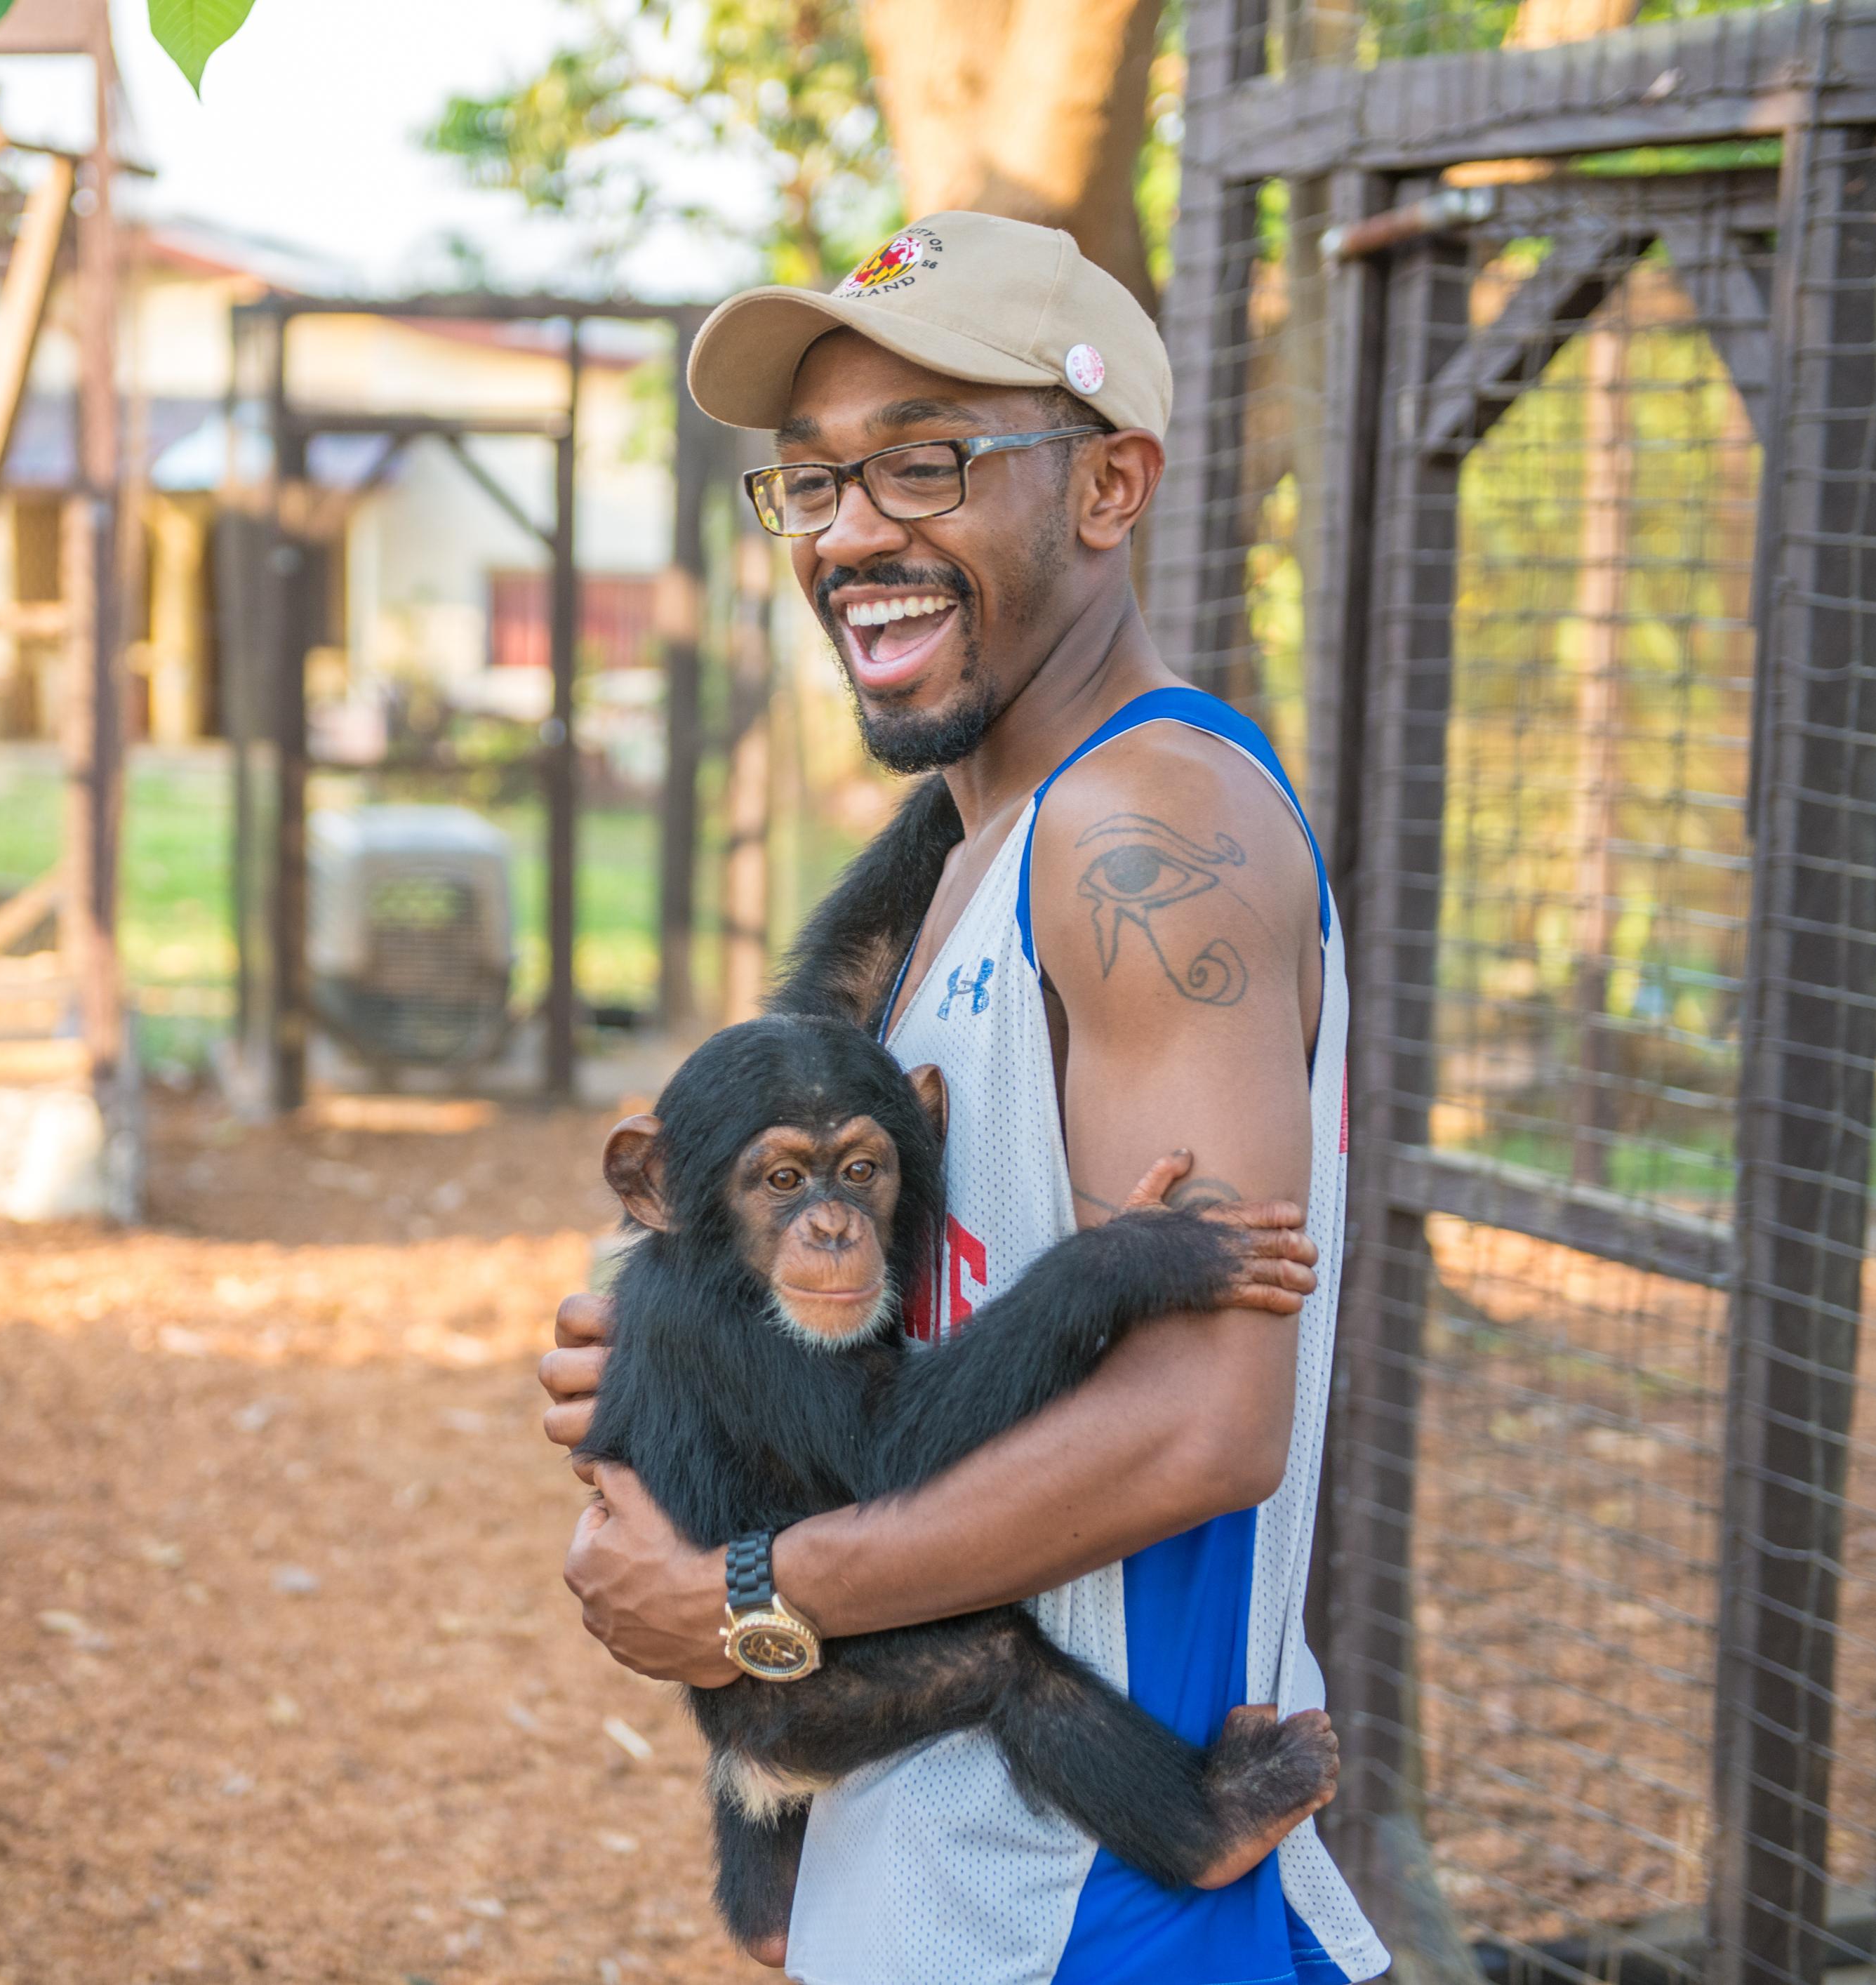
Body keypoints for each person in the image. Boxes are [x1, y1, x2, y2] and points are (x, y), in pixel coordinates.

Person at [537, 213, 1390, 1985]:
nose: (853, 532)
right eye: (815, 483)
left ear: (1107, 488)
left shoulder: (1151, 831)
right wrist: (676, 1337)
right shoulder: (969, 841)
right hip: (939, 1873)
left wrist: (750, 1601)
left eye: (924, 463)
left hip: (1097, 1902)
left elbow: (1206, 1421)